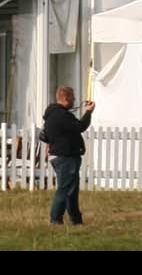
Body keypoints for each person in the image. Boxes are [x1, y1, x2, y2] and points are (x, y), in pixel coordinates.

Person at [41, 86, 94, 227]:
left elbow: (46, 136)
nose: (74, 99)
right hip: (65, 157)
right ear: (65, 98)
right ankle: (55, 219)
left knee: (72, 190)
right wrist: (88, 112)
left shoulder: (51, 115)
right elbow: (80, 126)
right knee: (65, 189)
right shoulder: (62, 115)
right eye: (72, 97)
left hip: (59, 155)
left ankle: (76, 220)